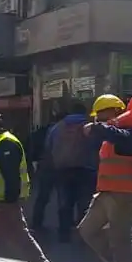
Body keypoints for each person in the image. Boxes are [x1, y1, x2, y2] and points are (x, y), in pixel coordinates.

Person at [77, 95, 132, 262]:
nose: (98, 117)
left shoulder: (130, 133)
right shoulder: (111, 134)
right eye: (96, 115)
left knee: (121, 236)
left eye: (101, 113)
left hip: (123, 194)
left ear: (115, 111)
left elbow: (118, 136)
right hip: (106, 192)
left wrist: (97, 127)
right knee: (87, 230)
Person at [0, 107, 55, 262]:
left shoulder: (6, 144)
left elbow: (11, 176)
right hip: (0, 199)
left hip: (1, 200)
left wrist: (8, 202)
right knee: (18, 233)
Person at [47, 101, 99, 242]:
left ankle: (63, 234)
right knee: (84, 203)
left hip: (63, 170)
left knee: (64, 203)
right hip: (86, 170)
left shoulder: (57, 127)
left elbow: (49, 146)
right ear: (84, 112)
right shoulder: (90, 127)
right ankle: (84, 234)